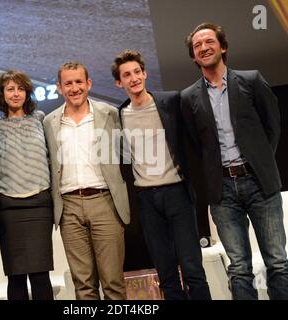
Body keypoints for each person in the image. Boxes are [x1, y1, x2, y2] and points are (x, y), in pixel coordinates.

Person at [181, 22, 288, 300]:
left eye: (209, 42)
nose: (203, 48)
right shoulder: (188, 97)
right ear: (194, 57)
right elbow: (197, 146)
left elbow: (272, 127)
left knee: (277, 262)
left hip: (260, 183)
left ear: (222, 46)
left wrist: (259, 161)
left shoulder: (251, 80)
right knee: (239, 268)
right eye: (197, 46)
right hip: (222, 191)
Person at [111, 50, 211, 300]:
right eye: (126, 75)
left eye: (137, 72)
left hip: (177, 192)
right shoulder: (118, 116)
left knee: (192, 269)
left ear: (144, 73)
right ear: (118, 82)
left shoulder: (170, 102)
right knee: (165, 273)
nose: (133, 78)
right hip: (146, 200)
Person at [43, 61, 130, 300]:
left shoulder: (109, 113)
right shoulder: (49, 122)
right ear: (59, 88)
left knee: (113, 282)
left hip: (105, 202)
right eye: (68, 83)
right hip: (68, 207)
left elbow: (129, 152)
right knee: (83, 286)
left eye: (79, 82)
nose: (74, 88)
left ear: (88, 84)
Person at [0, 70, 54, 300]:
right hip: (9, 209)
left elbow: (51, 157)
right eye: (10, 89)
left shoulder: (40, 118)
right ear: (2, 94)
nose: (16, 93)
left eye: (20, 88)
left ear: (27, 92)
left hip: (39, 206)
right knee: (16, 277)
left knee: (40, 275)